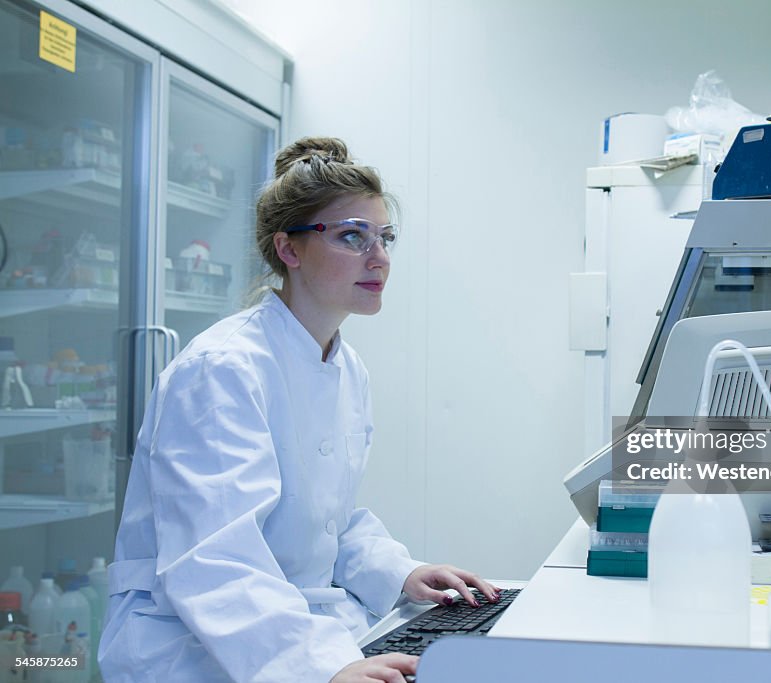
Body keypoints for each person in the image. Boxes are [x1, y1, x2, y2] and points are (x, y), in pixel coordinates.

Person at [98, 136, 498, 683]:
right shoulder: (223, 369)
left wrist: (402, 571)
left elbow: (328, 522)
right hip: (191, 647)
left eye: (384, 238)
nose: (378, 258)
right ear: (289, 249)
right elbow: (215, 559)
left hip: (298, 626)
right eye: (352, 237)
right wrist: (322, 667)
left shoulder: (343, 364)